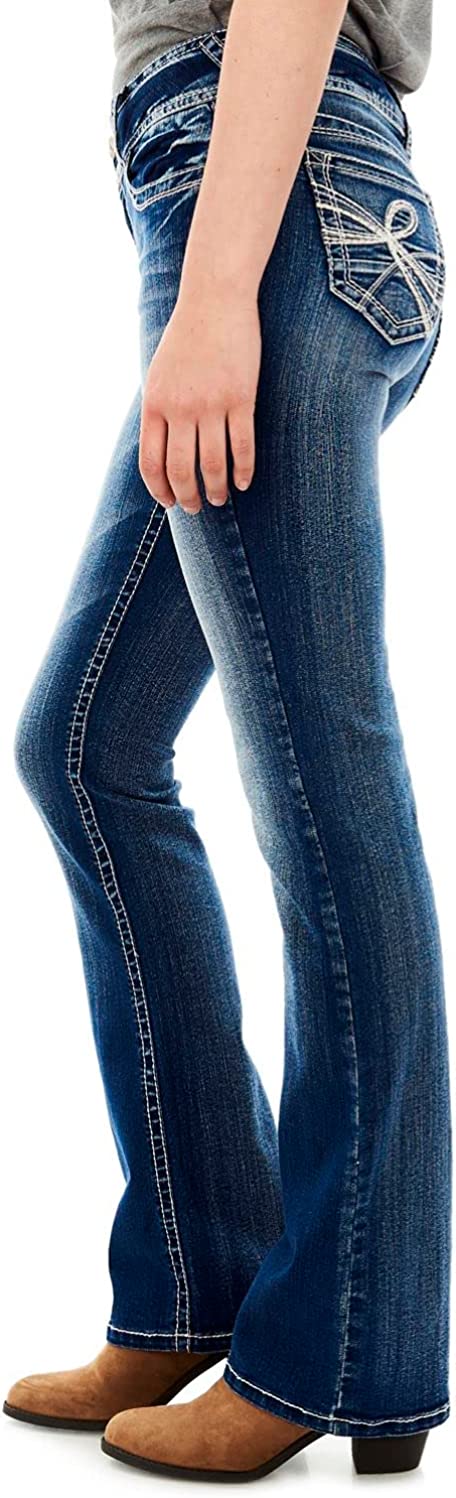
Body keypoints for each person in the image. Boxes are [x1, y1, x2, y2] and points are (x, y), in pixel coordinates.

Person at [3, 0, 451, 1481]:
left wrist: (214, 294)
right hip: (280, 193)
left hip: (267, 195)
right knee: (88, 741)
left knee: (326, 782)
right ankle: (204, 1274)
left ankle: (350, 1343)